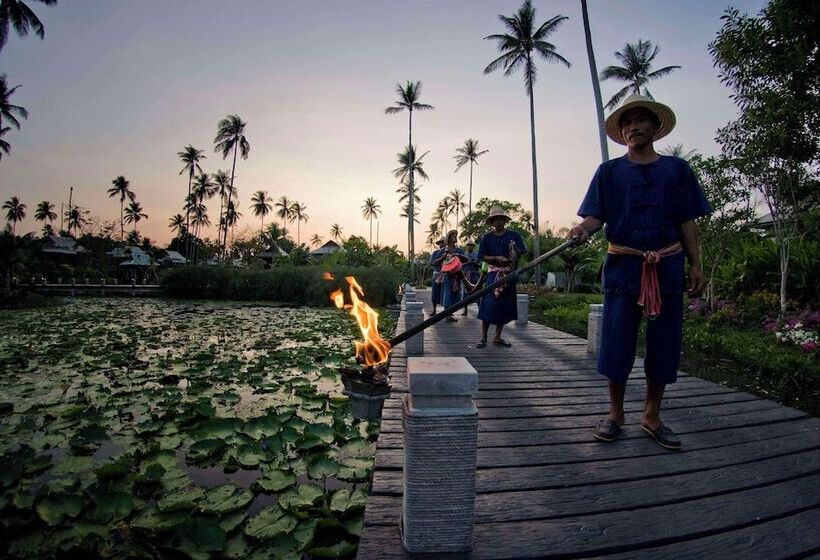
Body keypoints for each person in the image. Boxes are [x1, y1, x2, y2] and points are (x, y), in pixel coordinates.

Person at [568, 94, 711, 450]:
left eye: (640, 120)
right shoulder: (609, 172)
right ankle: (615, 414)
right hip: (623, 267)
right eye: (627, 122)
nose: (633, 127)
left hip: (667, 264)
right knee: (617, 342)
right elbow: (596, 216)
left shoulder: (677, 169)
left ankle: (652, 415)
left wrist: (696, 265)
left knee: (663, 343)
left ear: (654, 127)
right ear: (622, 131)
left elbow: (686, 221)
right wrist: (582, 229)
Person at [477, 206, 526, 347]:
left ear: (504, 220)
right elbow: (482, 257)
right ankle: (483, 337)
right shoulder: (487, 238)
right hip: (493, 274)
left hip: (508, 274)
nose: (498, 222)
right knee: (488, 305)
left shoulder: (514, 236)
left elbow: (521, 252)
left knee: (504, 306)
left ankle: (497, 336)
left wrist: (514, 250)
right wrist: (497, 258)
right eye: (495, 220)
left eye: (500, 219)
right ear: (492, 222)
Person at [440, 229, 466, 322]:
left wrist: (457, 255)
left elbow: (467, 259)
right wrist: (443, 258)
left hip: (457, 276)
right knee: (448, 294)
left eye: (456, 236)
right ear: (449, 238)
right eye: (453, 236)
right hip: (448, 275)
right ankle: (447, 315)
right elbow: (435, 261)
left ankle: (450, 313)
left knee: (456, 295)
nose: (455, 238)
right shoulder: (445, 250)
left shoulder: (459, 250)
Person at [461, 241, 481, 316]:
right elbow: (461, 265)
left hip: (475, 274)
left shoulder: (477, 254)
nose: (470, 247)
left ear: (473, 246)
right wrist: (467, 262)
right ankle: (465, 310)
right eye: (469, 245)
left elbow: (480, 265)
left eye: (471, 245)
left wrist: (474, 262)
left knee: (477, 292)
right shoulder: (464, 255)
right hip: (466, 275)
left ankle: (480, 310)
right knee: (465, 293)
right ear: (467, 246)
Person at [429, 237, 446, 314]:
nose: (442, 244)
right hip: (437, 273)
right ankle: (434, 310)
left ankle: (447, 311)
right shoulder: (436, 253)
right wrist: (441, 258)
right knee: (435, 292)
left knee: (446, 292)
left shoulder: (449, 252)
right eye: (441, 243)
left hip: (446, 274)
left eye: (443, 242)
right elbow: (431, 263)